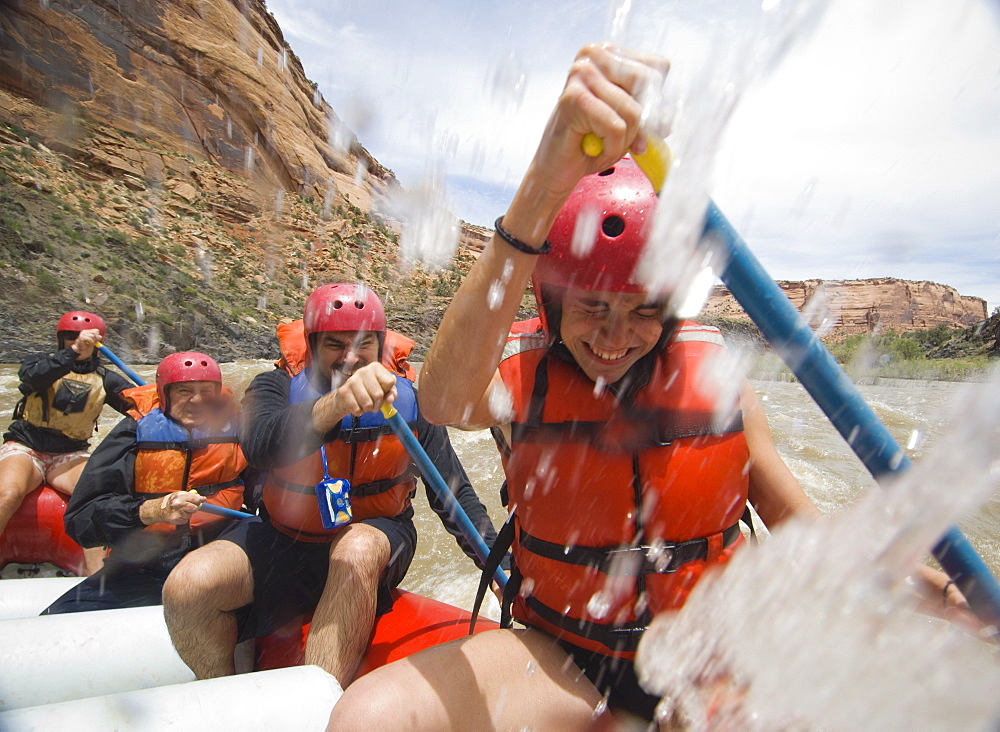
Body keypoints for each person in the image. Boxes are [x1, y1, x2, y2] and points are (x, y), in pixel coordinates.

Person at [327, 43, 826, 728]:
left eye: (642, 310)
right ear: (553, 302)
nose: (615, 337)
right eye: (593, 306)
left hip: (704, 656)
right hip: (562, 654)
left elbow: (800, 527)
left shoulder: (720, 385)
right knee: (371, 715)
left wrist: (902, 575)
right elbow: (441, 402)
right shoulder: (519, 379)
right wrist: (546, 179)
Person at [162, 283, 502, 686]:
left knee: (355, 547)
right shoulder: (273, 388)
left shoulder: (413, 402)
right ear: (311, 345)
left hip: (377, 538)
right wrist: (336, 404)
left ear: (380, 343)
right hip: (283, 538)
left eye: (363, 344)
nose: (350, 357)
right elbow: (259, 446)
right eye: (334, 345)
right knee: (187, 586)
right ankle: (221, 695)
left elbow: (453, 495)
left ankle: (314, 709)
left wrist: (498, 569)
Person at [41, 351, 248, 614]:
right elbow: (81, 520)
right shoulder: (131, 435)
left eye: (207, 391)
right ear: (164, 394)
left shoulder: (237, 429)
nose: (197, 400)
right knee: (56, 621)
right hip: (145, 562)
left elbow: (261, 489)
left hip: (216, 552)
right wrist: (149, 511)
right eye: (184, 391)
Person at [0, 311, 133, 574]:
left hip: (70, 454)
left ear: (98, 343)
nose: (77, 341)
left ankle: (97, 580)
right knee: (8, 493)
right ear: (61, 340)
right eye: (69, 337)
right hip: (27, 447)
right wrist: (74, 351)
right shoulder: (41, 364)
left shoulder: (107, 380)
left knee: (97, 500)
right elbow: (32, 379)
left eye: (82, 338)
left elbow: (139, 408)